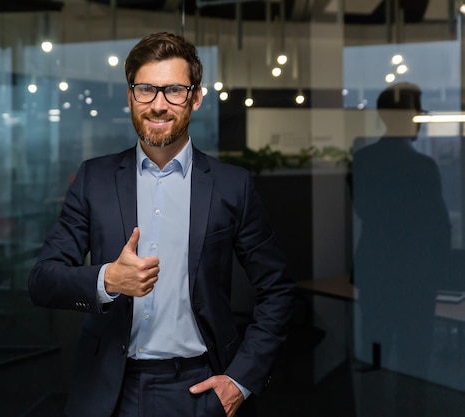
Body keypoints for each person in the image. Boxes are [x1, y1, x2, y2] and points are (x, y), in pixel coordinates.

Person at [28, 32, 295, 417]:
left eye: (173, 90)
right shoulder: (94, 179)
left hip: (200, 389)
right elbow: (42, 281)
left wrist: (240, 381)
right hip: (109, 392)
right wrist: (107, 280)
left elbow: (278, 289)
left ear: (196, 97)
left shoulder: (231, 185)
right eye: (145, 90)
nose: (158, 105)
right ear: (129, 97)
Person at [352, 82, 451, 378]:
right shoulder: (421, 166)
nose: (419, 119)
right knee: (414, 363)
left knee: (375, 360)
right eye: (417, 112)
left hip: (376, 271)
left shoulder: (365, 159)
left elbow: (363, 210)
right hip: (415, 277)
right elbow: (439, 227)